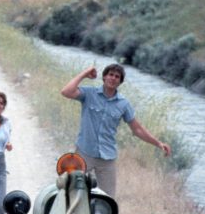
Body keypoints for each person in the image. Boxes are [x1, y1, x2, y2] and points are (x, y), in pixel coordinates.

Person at [61, 64, 171, 197]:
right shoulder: (90, 94)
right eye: (110, 75)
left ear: (120, 81)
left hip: (107, 158)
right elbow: (66, 92)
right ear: (104, 77)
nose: (113, 78)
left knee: (108, 199)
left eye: (117, 76)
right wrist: (85, 73)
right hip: (85, 152)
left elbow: (137, 129)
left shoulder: (123, 104)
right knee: (72, 192)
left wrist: (158, 143)